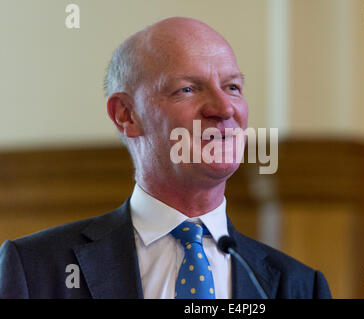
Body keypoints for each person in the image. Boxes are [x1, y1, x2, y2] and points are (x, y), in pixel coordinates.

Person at [0, 17, 331, 299]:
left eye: (232, 87)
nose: (224, 109)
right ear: (126, 115)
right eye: (188, 89)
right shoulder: (36, 269)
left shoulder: (297, 285)